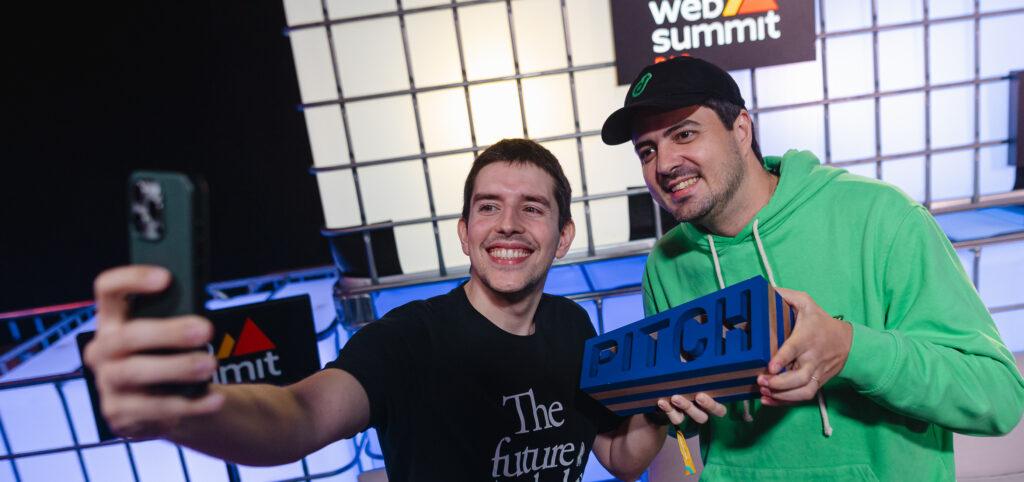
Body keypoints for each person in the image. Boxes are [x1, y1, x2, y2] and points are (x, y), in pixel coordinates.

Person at [84, 139, 677, 481]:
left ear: (563, 235)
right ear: (466, 234)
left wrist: (668, 411)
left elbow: (616, 457)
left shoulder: (573, 326)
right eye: (489, 207)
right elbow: (298, 416)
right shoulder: (409, 339)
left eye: (533, 209)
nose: (509, 225)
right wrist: (187, 410)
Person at [600, 56, 1024, 480]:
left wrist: (851, 348)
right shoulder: (664, 265)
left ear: (741, 130)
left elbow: (998, 397)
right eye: (647, 150)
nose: (664, 164)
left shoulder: (882, 216)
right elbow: (696, 414)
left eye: (685, 133)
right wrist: (676, 406)